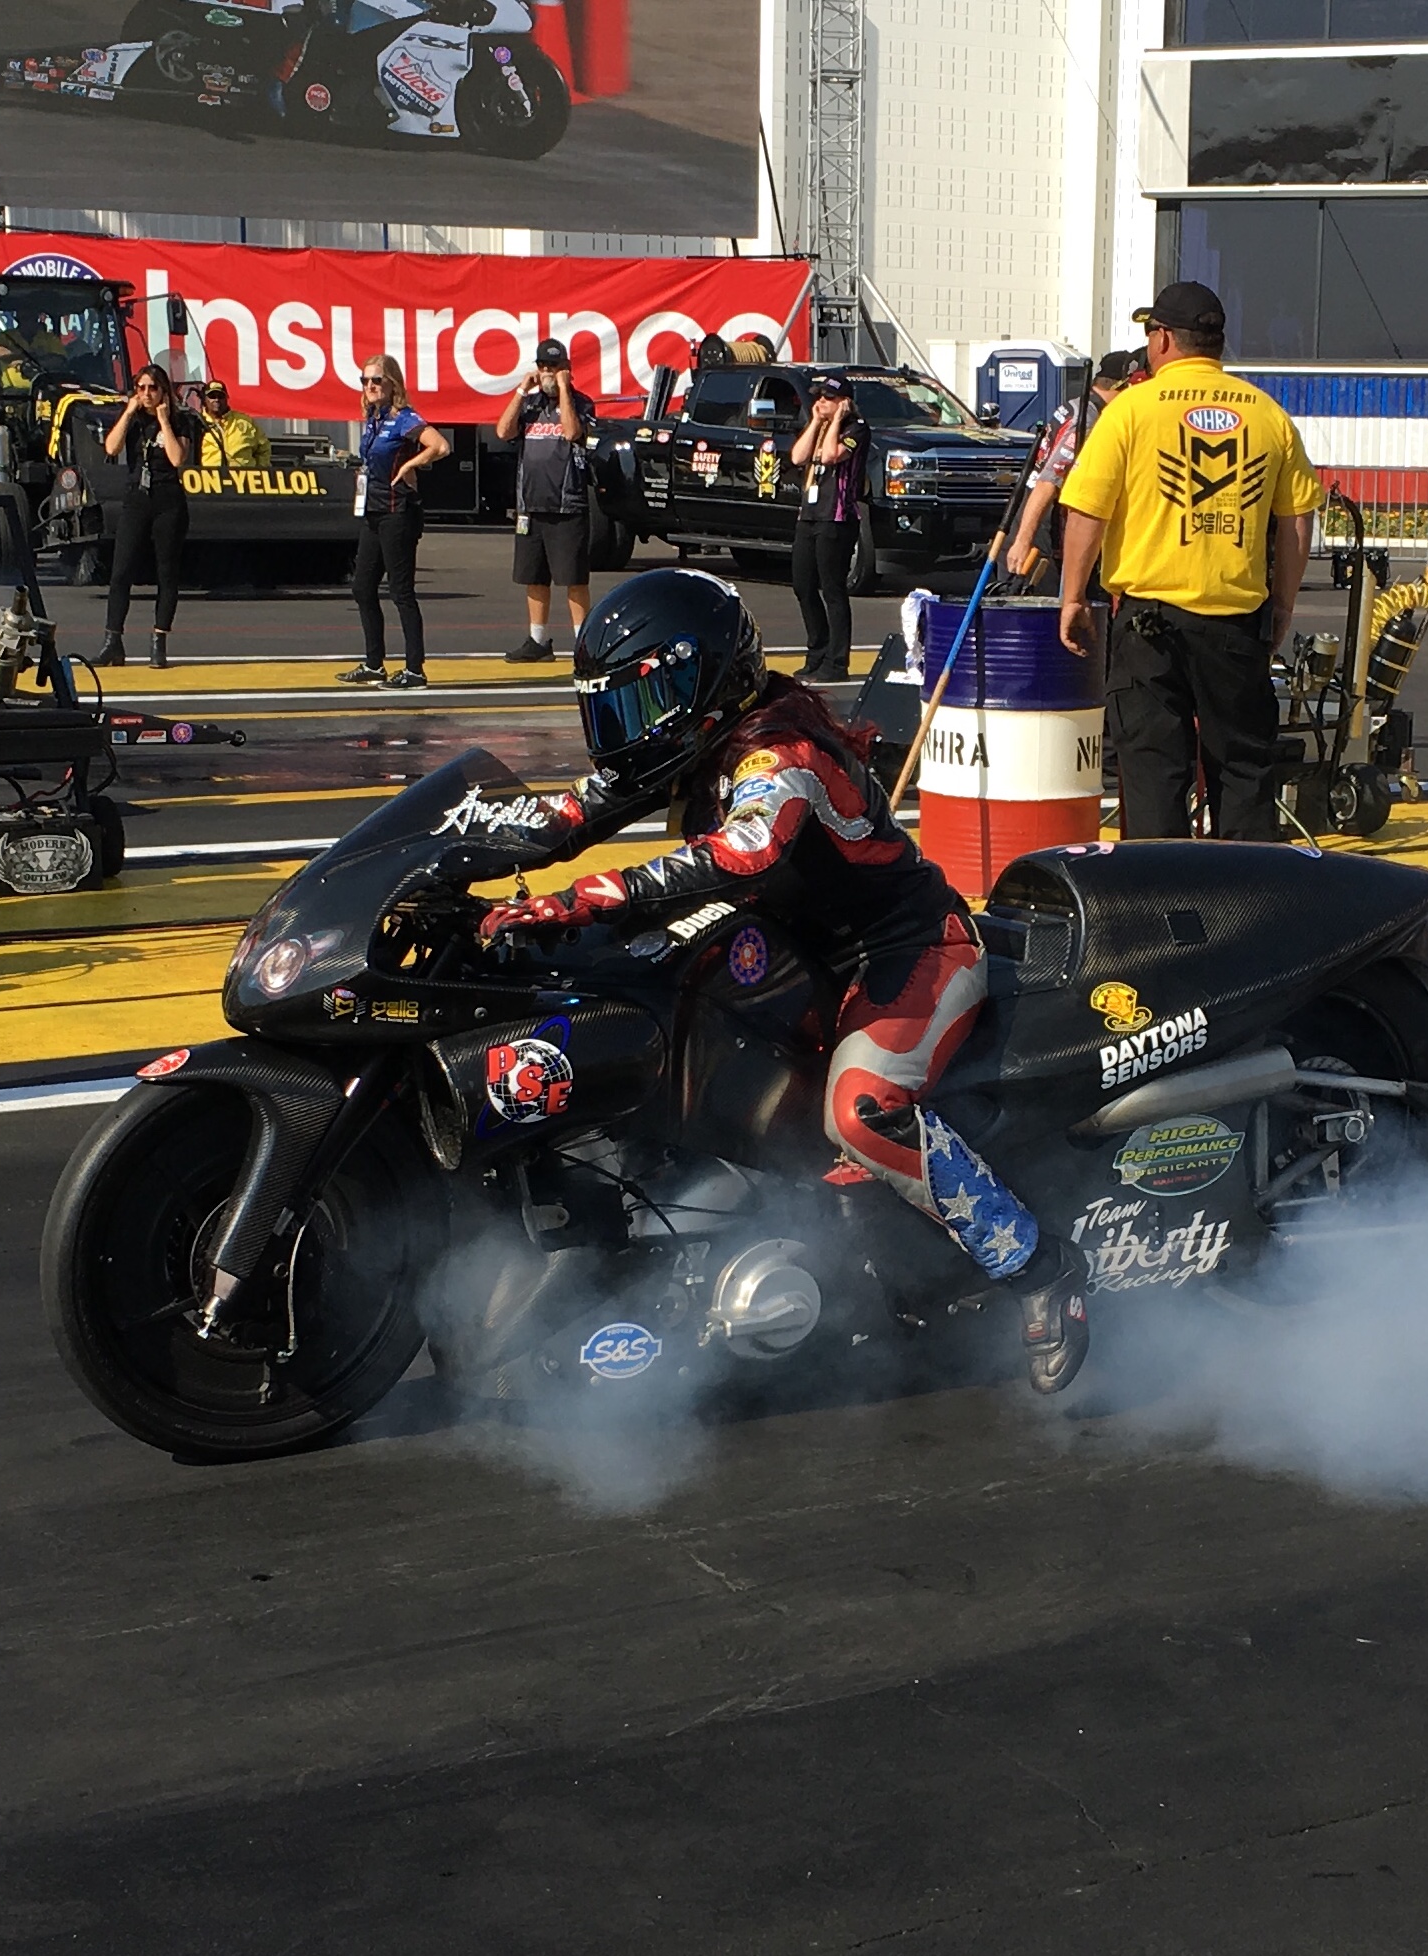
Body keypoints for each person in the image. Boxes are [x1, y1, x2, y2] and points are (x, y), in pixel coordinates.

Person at [468, 569, 1093, 1390]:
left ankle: (1040, 1269)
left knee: (863, 1109)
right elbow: (567, 814)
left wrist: (579, 898)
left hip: (903, 949)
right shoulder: (685, 741)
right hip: (797, 954)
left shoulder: (779, 754)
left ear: (704, 683)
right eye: (609, 706)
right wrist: (450, 851)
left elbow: (741, 851)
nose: (627, 730)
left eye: (638, 703)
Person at [1057, 281, 1320, 841]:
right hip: (1235, 620)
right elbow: (1297, 519)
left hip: (1151, 622)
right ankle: (1247, 907)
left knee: (1153, 770)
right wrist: (1283, 605)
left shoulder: (1131, 409)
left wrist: (1073, 597)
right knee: (1244, 769)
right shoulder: (1268, 414)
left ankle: (1161, 910)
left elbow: (1086, 510)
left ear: (1163, 339)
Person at [336, 352, 448, 690]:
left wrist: (411, 465)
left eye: (376, 380)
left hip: (398, 513)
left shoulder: (403, 417)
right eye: (365, 380)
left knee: (401, 591)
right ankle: (374, 663)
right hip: (373, 510)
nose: (369, 386)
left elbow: (440, 446)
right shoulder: (372, 417)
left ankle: (415, 669)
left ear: (392, 383)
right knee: (362, 587)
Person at [95, 364, 203, 670]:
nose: (145, 394)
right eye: (140, 388)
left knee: (166, 573)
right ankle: (112, 642)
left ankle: (159, 642)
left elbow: (177, 458)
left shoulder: (181, 420)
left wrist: (164, 420)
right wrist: (128, 413)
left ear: (163, 391)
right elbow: (111, 447)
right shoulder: (133, 419)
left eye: (152, 388)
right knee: (120, 572)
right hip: (137, 499)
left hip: (168, 501)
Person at [1004, 348, 1143, 583]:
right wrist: (1023, 540)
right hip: (1041, 535)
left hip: (1029, 519)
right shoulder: (1087, 420)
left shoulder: (1075, 405)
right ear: (1122, 386)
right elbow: (1048, 481)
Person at [496, 337, 591, 663]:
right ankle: (537, 640)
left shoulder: (581, 402)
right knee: (534, 576)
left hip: (566, 505)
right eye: (543, 366)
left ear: (566, 368)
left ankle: (583, 644)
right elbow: (503, 432)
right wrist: (522, 390)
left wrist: (564, 389)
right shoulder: (531, 405)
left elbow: (570, 432)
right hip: (530, 504)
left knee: (572, 578)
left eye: (555, 366)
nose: (548, 372)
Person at [788, 373, 870, 681]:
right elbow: (798, 456)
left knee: (832, 589)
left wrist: (837, 420)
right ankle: (816, 651)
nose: (821, 402)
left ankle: (837, 662)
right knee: (803, 585)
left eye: (828, 398)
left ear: (844, 402)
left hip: (836, 518)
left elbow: (833, 455)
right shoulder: (819, 427)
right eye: (818, 397)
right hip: (809, 515)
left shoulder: (856, 429)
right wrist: (815, 421)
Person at [197, 381, 271, 469]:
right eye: (212, 396)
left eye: (221, 396)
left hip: (244, 479)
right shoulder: (197, 422)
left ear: (227, 398)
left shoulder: (245, 421)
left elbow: (264, 448)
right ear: (205, 399)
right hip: (209, 479)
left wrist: (259, 471)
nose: (217, 400)